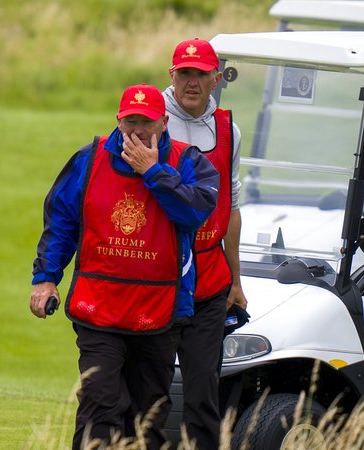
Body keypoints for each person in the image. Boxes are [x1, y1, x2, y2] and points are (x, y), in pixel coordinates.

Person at [29, 84, 219, 449]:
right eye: (130, 122)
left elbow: (194, 212)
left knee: (148, 416)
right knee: (100, 400)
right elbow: (62, 221)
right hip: (98, 306)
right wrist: (46, 279)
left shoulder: (188, 162)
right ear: (118, 120)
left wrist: (153, 172)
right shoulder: (89, 159)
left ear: (164, 123)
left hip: (160, 309)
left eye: (146, 123)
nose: (137, 132)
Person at [163, 38, 248, 450]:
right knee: (149, 393)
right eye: (185, 73)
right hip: (157, 272)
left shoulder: (228, 129)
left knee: (202, 393)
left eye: (201, 74)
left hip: (209, 278)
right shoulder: (149, 118)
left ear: (216, 78)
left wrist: (236, 279)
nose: (192, 82)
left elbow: (231, 207)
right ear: (172, 76)